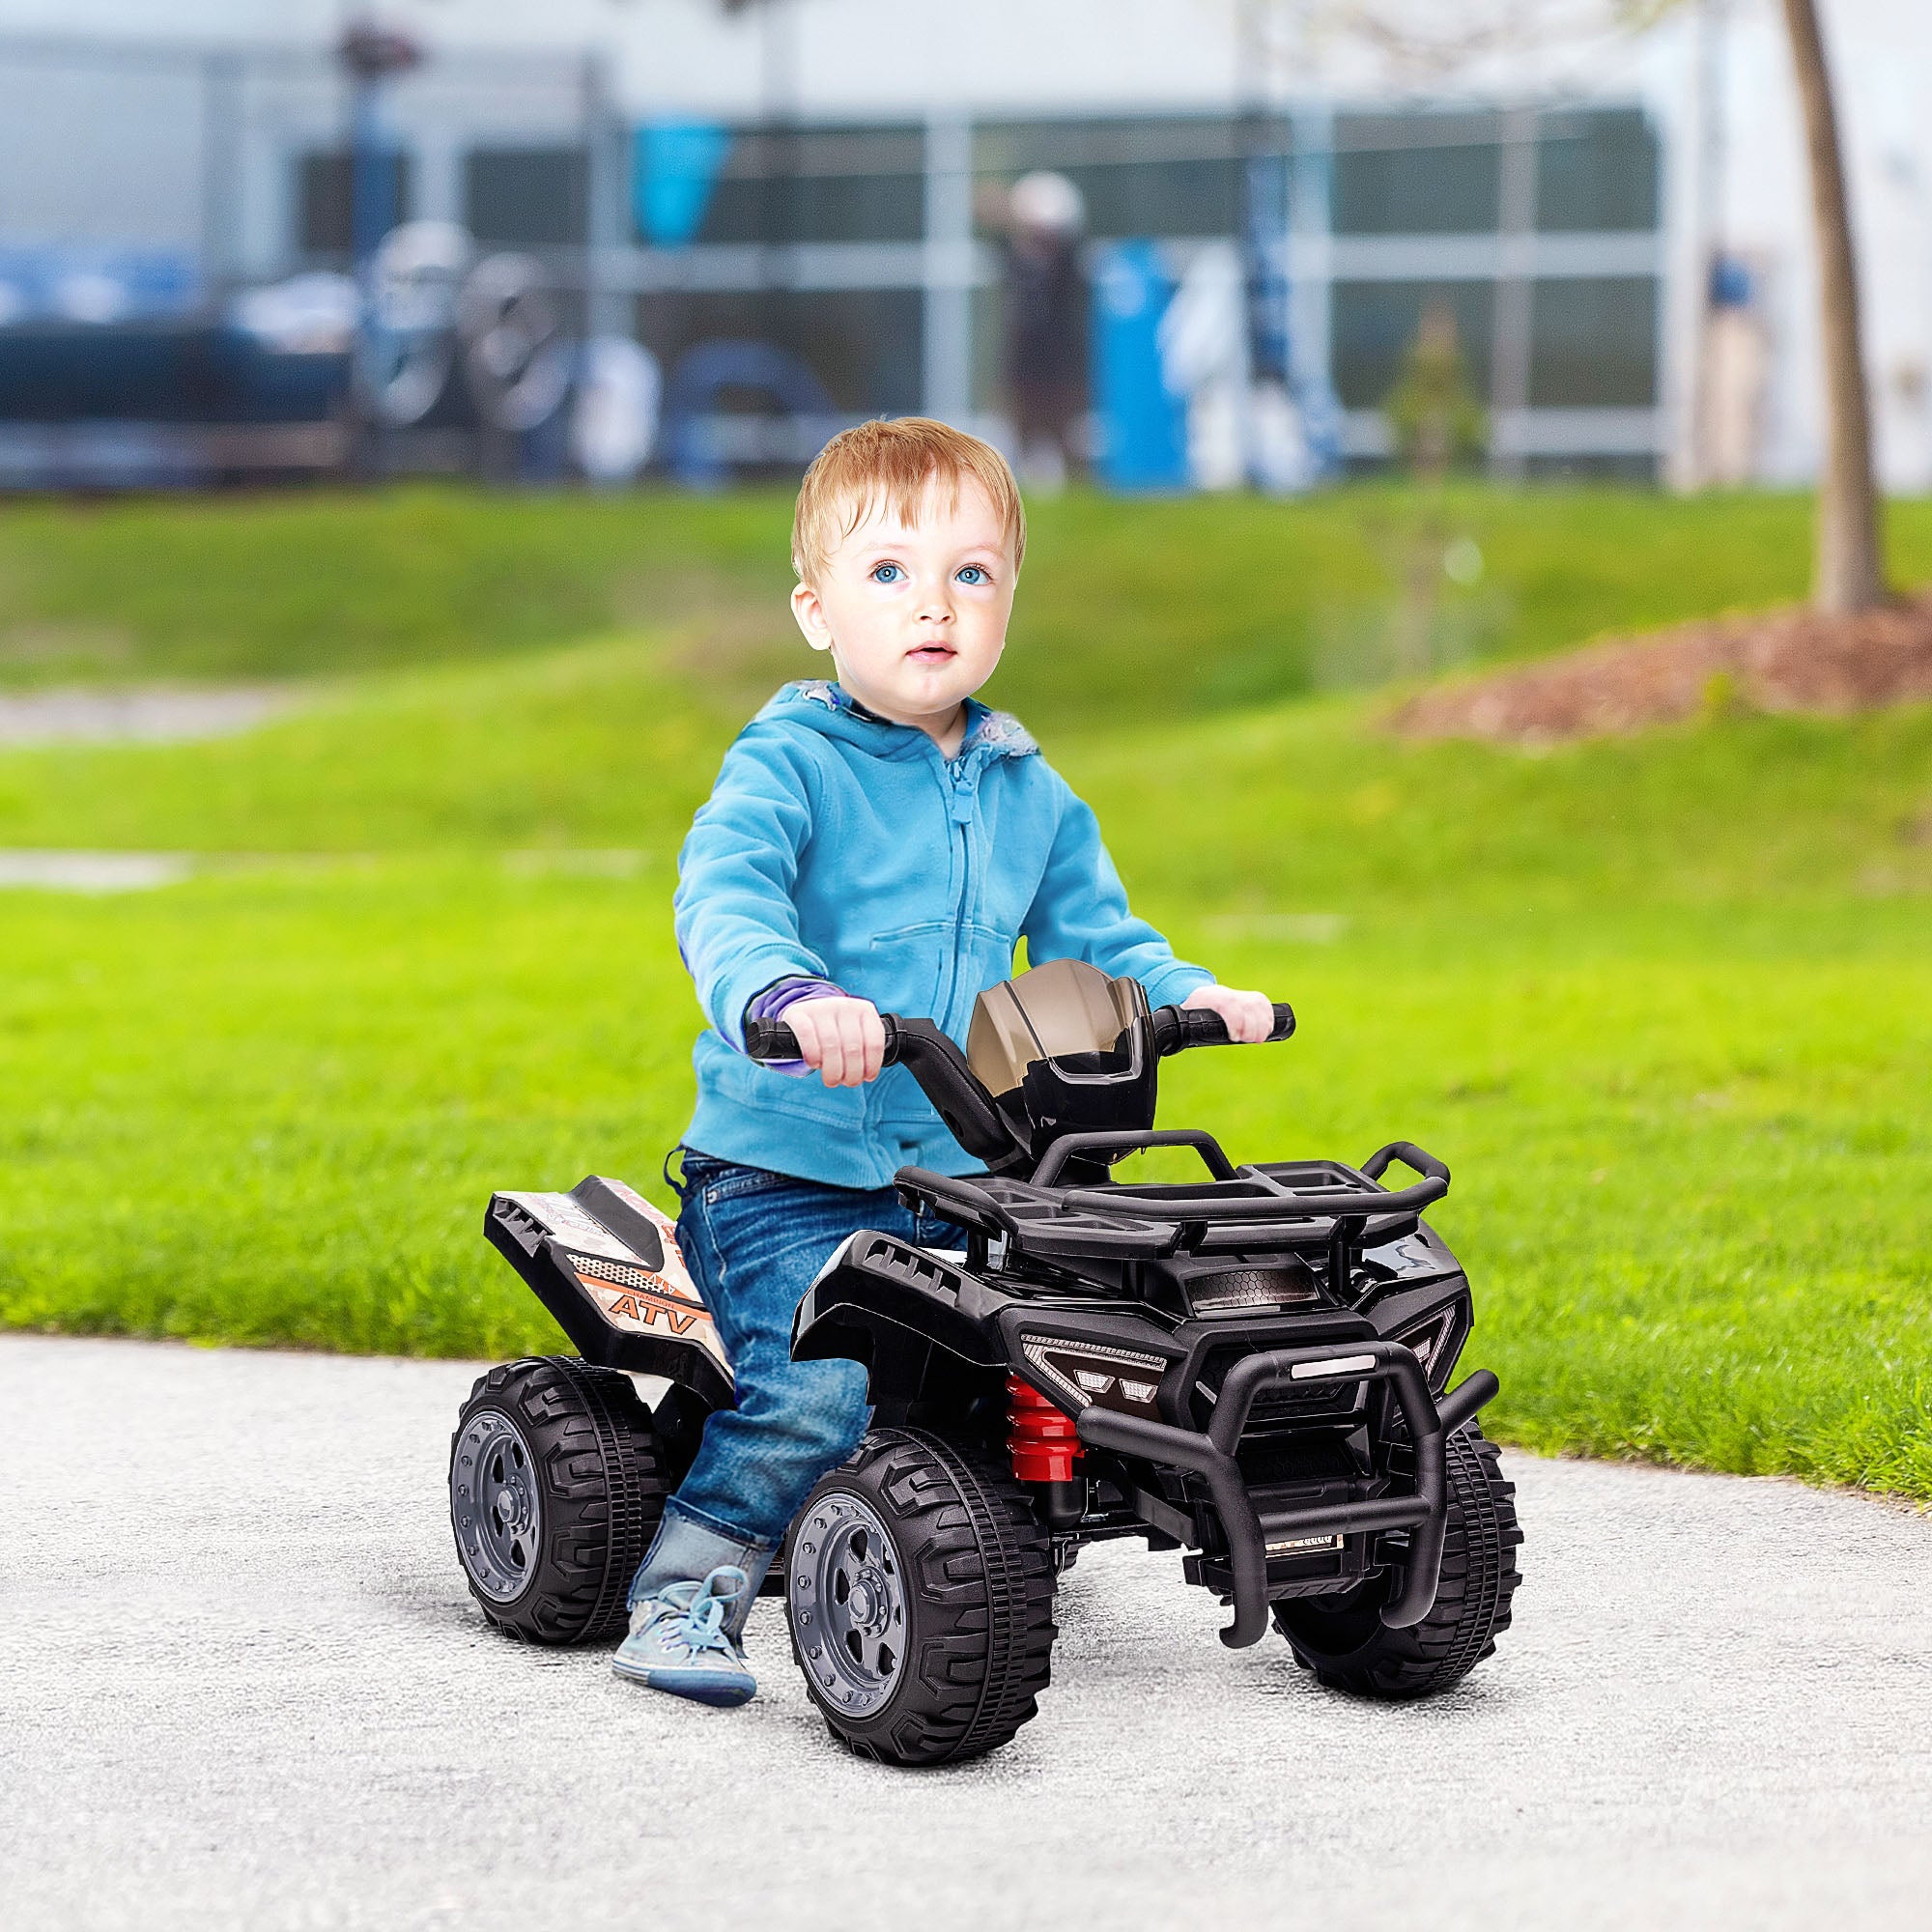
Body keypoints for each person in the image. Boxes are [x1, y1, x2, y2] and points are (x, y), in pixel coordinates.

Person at [612, 416, 1274, 1707]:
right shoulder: (788, 766)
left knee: (1082, 1334)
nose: (936, 605)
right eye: (890, 574)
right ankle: (686, 1589)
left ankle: (985, 1527)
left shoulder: (1029, 787)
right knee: (823, 1389)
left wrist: (1189, 995)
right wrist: (791, 994)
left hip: (961, 1169)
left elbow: (1098, 938)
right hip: (786, 1172)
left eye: (971, 575)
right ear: (816, 610)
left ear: (1008, 605)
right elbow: (727, 895)